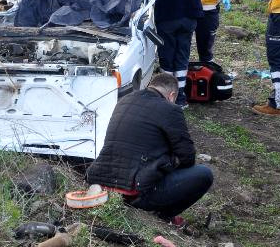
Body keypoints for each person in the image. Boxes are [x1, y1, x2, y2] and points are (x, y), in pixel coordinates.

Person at [86, 73, 213, 226]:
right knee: (204, 174)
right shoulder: (170, 109)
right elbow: (188, 158)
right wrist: (170, 159)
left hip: (101, 184)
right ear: (172, 95)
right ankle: (165, 215)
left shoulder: (125, 101)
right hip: (134, 192)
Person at [144, 0, 204, 108]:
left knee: (167, 55)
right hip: (190, 16)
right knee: (182, 54)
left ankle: (166, 97)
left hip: (168, 16)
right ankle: (181, 97)